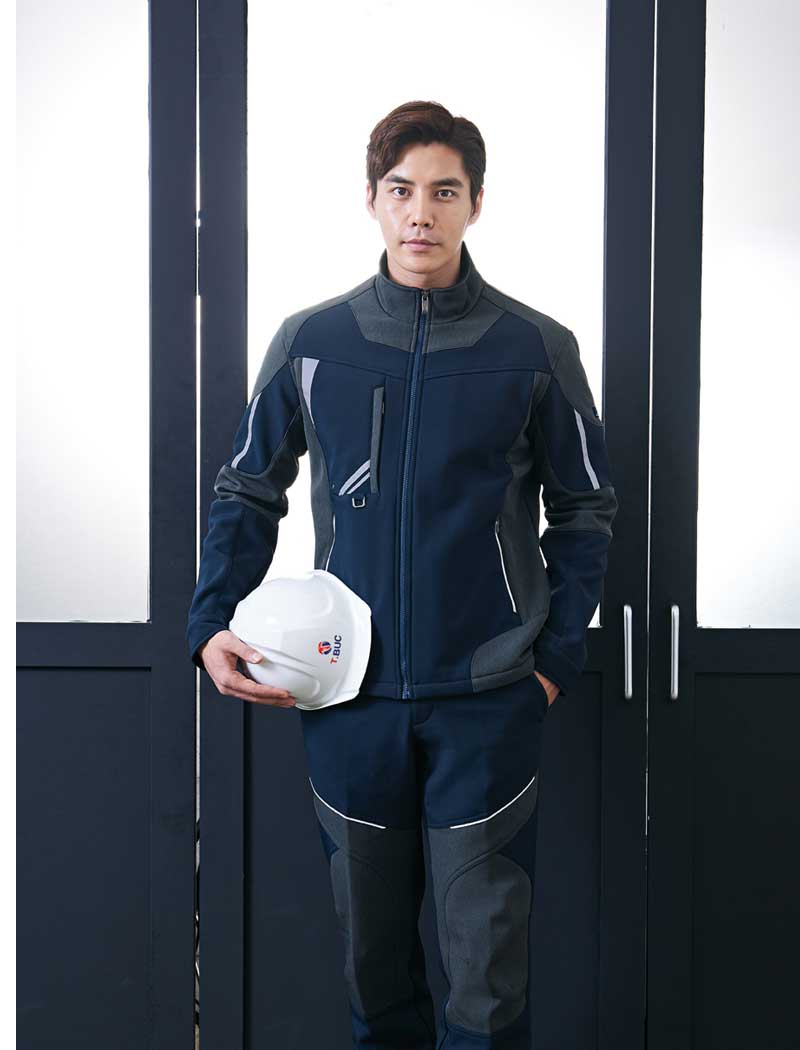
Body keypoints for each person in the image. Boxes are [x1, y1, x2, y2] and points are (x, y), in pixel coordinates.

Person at [186, 99, 618, 1049]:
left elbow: (585, 507)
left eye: (444, 192)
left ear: (475, 204)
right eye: (402, 190)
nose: (421, 212)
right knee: (374, 974)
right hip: (349, 700)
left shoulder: (535, 347)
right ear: (373, 201)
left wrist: (553, 658)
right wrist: (210, 621)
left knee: (487, 983)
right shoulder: (312, 342)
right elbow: (247, 488)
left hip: (488, 700)